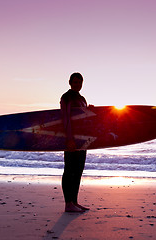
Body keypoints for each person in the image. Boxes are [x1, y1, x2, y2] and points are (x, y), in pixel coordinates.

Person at [60, 72, 90, 212]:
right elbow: (65, 119)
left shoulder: (82, 98)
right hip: (71, 139)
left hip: (83, 140)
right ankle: (68, 203)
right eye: (75, 82)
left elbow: (85, 118)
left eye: (80, 82)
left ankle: (75, 202)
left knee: (78, 171)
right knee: (69, 171)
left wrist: (91, 110)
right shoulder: (66, 97)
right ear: (70, 82)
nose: (78, 85)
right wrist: (69, 138)